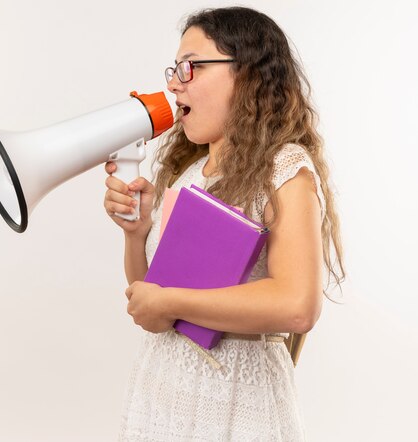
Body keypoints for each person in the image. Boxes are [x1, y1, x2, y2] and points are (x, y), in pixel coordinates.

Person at [103, 6, 346, 441]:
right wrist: (136, 237)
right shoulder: (188, 177)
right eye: (175, 69)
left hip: (237, 401)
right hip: (163, 396)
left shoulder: (283, 169)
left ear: (248, 74)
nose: (174, 82)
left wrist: (172, 301)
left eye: (191, 66)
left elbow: (297, 305)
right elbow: (152, 312)